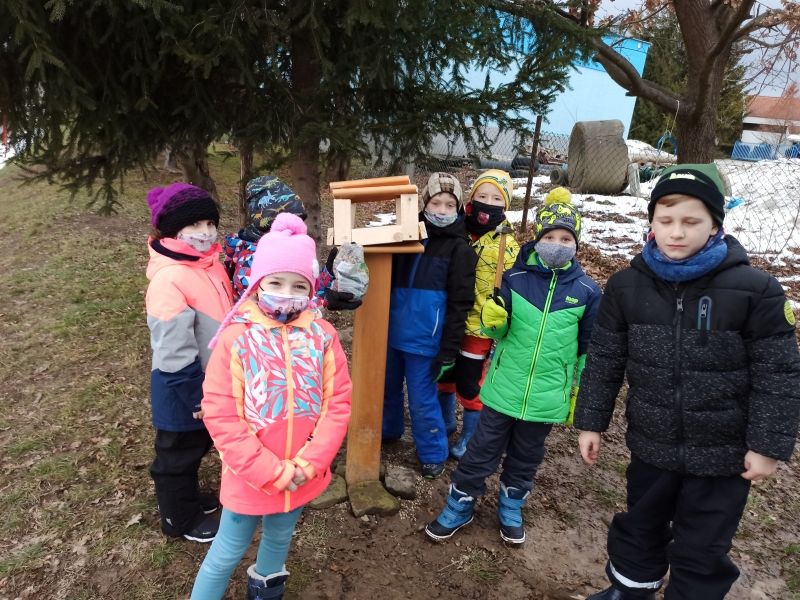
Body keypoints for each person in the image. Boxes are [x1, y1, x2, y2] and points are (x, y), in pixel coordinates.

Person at [574, 164, 800, 600]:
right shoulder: (625, 287)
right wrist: (590, 422)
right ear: (652, 223)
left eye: (691, 221)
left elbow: (778, 373)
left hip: (722, 455)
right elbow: (604, 359)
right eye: (666, 220)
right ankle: (630, 590)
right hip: (652, 444)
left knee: (702, 546)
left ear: (715, 224)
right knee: (640, 525)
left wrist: (767, 446)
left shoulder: (755, 291)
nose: (676, 232)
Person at [190, 213, 352, 600]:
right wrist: (268, 470)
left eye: (299, 285)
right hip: (250, 475)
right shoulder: (237, 339)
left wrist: (309, 464)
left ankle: (266, 592)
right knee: (227, 550)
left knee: (280, 538)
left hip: (302, 473)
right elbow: (222, 414)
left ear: (311, 288)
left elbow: (337, 403)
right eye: (276, 282)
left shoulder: (322, 336)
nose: (286, 292)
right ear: (257, 282)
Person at [426, 191, 601, 543]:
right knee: (481, 451)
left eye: (566, 239)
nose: (557, 245)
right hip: (504, 388)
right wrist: (493, 321)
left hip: (546, 397)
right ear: (537, 239)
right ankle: (460, 503)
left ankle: (511, 505)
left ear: (576, 244)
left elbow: (588, 351)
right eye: (550, 237)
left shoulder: (588, 292)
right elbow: (497, 332)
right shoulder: (515, 278)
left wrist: (580, 398)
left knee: (526, 456)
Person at [145, 183, 233, 543]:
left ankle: (190, 498)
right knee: (176, 455)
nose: (205, 232)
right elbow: (173, 350)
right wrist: (195, 395)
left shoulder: (209, 264)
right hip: (182, 385)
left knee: (197, 445)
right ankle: (178, 518)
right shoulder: (169, 278)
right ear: (172, 231)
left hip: (210, 380)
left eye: (210, 224)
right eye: (194, 225)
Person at [382, 172, 477, 478]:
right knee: (387, 387)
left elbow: (461, 304)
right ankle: (388, 429)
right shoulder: (406, 238)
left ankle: (433, 452)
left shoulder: (460, 250)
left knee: (422, 399)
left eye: (449, 205)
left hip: (425, 340)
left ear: (458, 209)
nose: (442, 210)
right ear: (424, 205)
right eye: (436, 203)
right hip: (391, 331)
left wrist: (448, 351)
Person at [441, 169, 521, 459]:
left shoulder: (506, 245)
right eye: (482, 195)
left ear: (506, 205)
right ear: (472, 198)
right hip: (450, 318)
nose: (488, 203)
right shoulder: (457, 229)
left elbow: (514, 287)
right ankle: (445, 421)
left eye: (496, 199)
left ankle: (471, 435)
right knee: (445, 372)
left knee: (469, 380)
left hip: (479, 327)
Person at [224, 175, 363, 310]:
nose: (296, 230)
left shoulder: (283, 249)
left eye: (299, 221)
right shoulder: (250, 260)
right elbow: (276, 305)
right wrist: (325, 300)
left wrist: (327, 276)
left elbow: (299, 285)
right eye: (289, 224)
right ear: (270, 226)